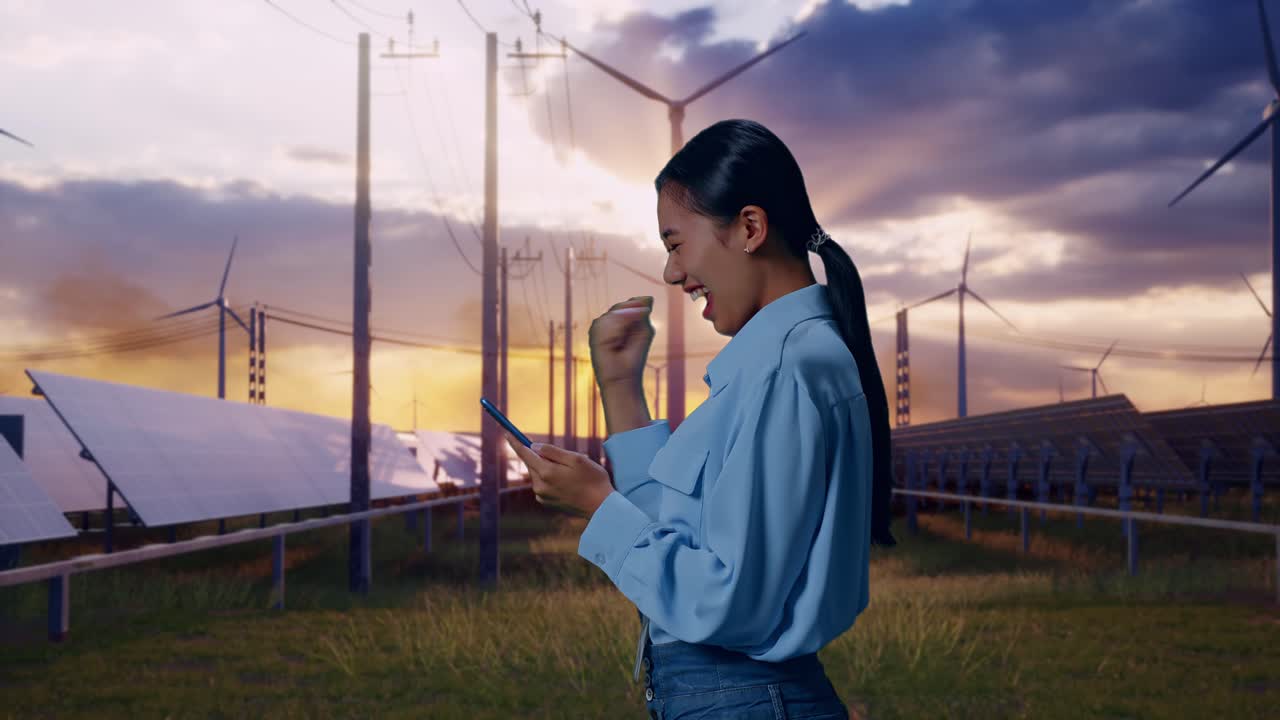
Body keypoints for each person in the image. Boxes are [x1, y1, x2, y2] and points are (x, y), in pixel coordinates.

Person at [503, 118, 895, 720]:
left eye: (675, 244)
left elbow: (731, 602)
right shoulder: (780, 363)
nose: (669, 274)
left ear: (749, 228)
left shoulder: (786, 368)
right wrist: (619, 382)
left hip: (743, 699)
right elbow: (684, 537)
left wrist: (599, 506)